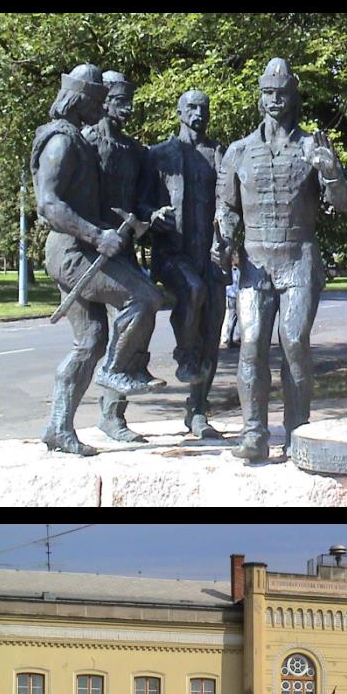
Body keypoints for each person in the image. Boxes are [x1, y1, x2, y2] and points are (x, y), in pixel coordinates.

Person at [214, 58, 347, 462]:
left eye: (283, 94)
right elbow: (227, 208)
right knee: (252, 344)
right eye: (268, 93)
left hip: (299, 258)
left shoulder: (312, 146)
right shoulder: (238, 151)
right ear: (260, 98)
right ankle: (254, 432)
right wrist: (223, 237)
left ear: (294, 98)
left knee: (293, 341)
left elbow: (342, 203)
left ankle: (297, 431)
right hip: (256, 259)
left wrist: (331, 175)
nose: (275, 100)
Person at [32, 64, 165, 456]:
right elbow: (48, 204)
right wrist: (95, 234)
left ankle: (58, 426)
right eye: (99, 99)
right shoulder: (63, 141)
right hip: (71, 252)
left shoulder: (78, 139)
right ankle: (117, 370)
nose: (104, 105)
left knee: (89, 341)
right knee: (144, 298)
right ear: (85, 100)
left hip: (83, 249)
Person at [82, 70, 169, 444]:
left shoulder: (137, 152)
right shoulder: (84, 143)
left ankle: (112, 416)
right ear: (104, 102)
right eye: (121, 103)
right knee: (89, 341)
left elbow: (144, 199)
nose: (128, 110)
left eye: (130, 102)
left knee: (138, 322)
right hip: (88, 251)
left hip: (125, 248)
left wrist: (151, 217)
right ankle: (61, 424)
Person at [146, 89, 228, 438]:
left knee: (212, 331)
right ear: (179, 112)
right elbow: (141, 203)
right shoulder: (160, 155)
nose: (199, 113)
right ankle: (184, 352)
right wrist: (152, 215)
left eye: (204, 108)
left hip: (208, 254)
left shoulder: (217, 155)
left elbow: (229, 202)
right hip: (173, 253)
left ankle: (197, 411)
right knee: (192, 292)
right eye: (192, 107)